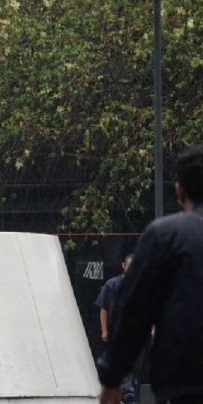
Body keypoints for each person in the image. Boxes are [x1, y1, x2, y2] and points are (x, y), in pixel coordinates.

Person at [98, 146, 203, 404]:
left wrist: (113, 377)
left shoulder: (165, 236)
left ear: (179, 192)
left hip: (185, 379)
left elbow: (134, 309)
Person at [95, 254, 137, 404]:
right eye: (129, 265)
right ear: (123, 266)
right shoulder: (111, 285)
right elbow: (104, 308)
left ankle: (128, 394)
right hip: (117, 334)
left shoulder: (141, 285)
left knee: (134, 367)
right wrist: (104, 329)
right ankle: (127, 395)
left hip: (136, 334)